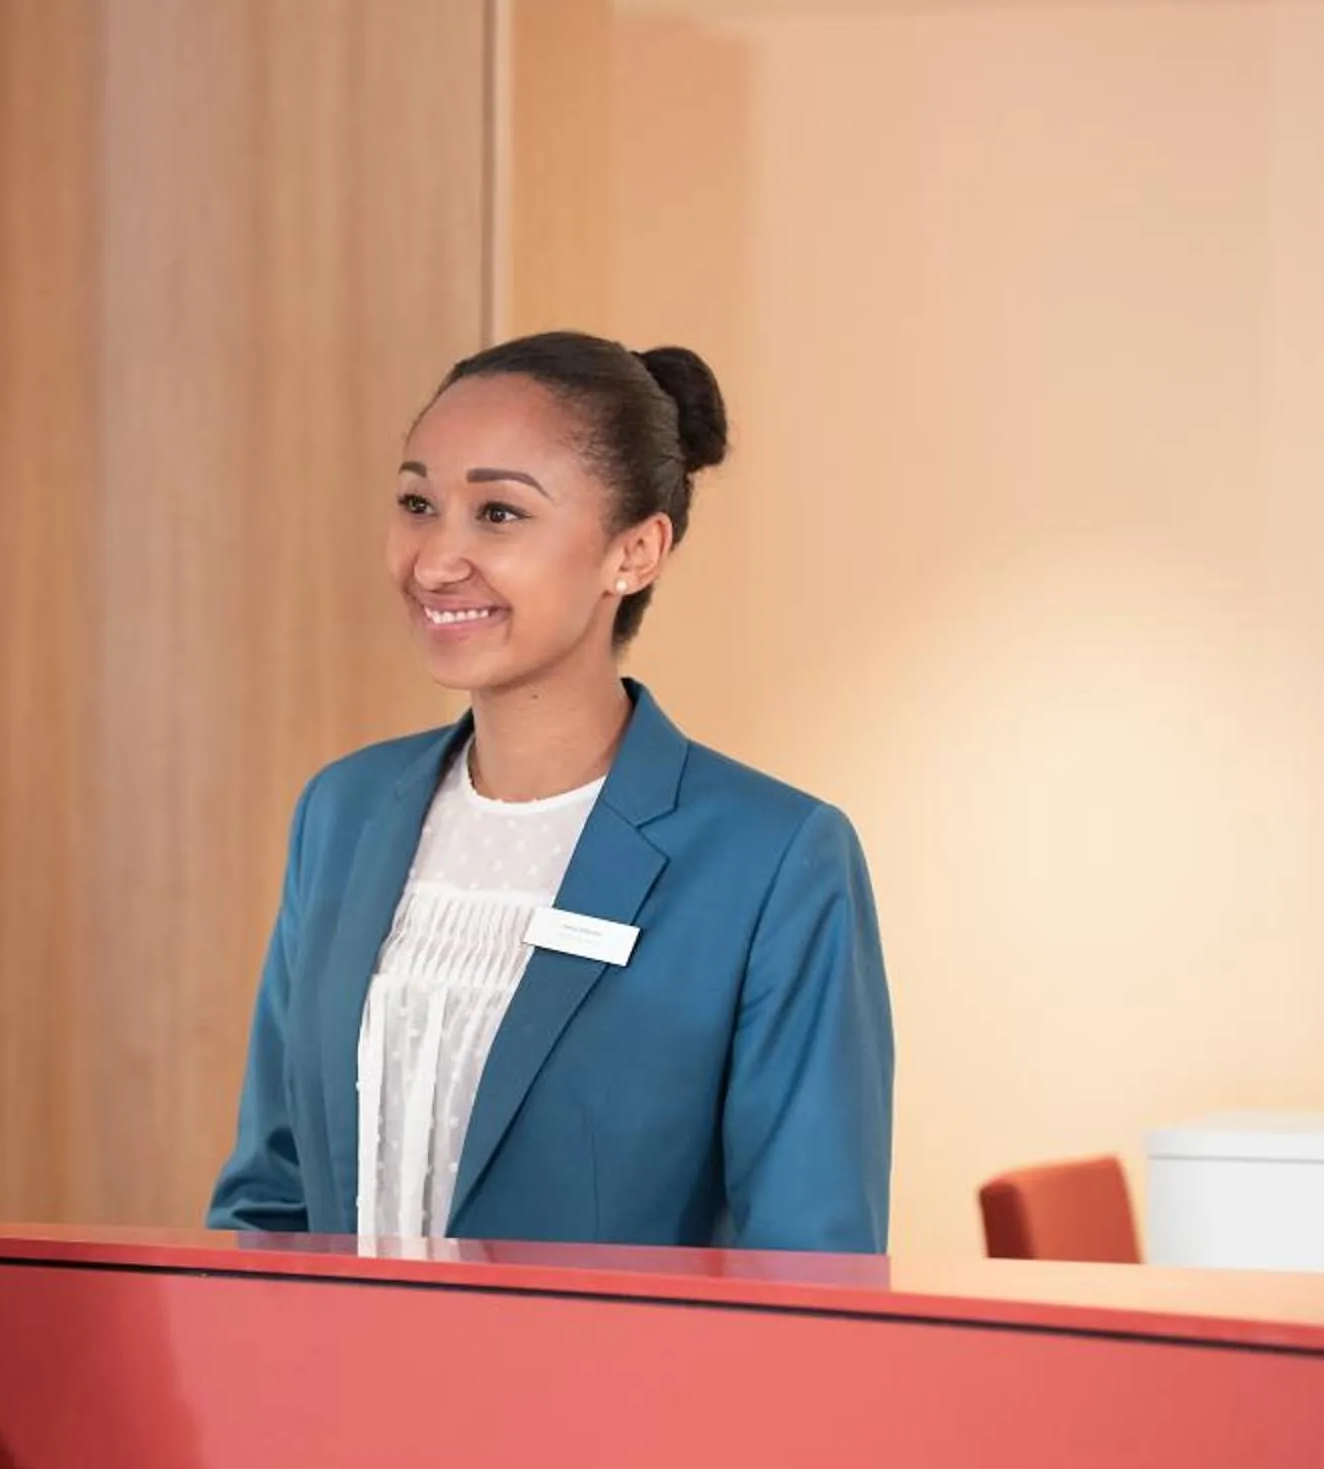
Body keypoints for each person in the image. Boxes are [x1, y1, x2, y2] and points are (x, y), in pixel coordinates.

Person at [206, 333, 894, 1253]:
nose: (435, 560)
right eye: (418, 503)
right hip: (336, 1394)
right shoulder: (343, 813)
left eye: (497, 514)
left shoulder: (772, 858)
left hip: (624, 1400)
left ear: (635, 552)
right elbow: (272, 1198)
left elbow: (813, 1263)